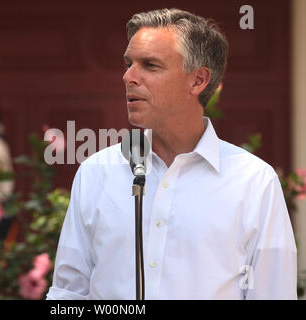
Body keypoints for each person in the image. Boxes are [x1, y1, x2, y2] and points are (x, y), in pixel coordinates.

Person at [46, 8, 297, 299]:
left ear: (198, 80)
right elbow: (68, 295)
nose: (129, 76)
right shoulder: (96, 172)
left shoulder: (255, 183)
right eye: (129, 64)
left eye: (150, 65)